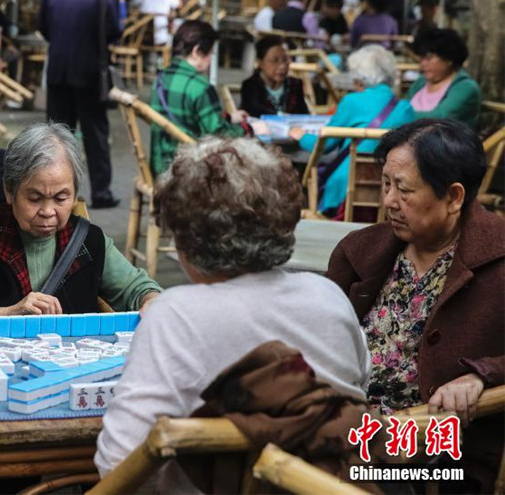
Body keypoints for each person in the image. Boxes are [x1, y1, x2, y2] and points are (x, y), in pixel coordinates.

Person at [95, 137, 372, 494]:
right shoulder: (329, 297)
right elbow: (357, 391)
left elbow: (117, 464)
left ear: (187, 242)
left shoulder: (176, 315)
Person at [327, 119, 503, 493]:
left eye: (403, 189)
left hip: (437, 455)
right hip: (348, 431)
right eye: (386, 183)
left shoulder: (499, 259)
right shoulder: (358, 252)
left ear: (454, 197)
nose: (388, 200)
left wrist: (481, 375)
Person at [0, 123, 161, 322]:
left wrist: (151, 301)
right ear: (10, 191)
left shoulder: (88, 242)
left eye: (61, 198)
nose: (48, 211)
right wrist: (7, 314)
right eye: (34, 198)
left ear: (75, 193)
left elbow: (139, 289)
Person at [38, 0, 122, 209]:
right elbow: (114, 31)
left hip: (59, 71)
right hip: (91, 74)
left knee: (56, 135)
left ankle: (55, 192)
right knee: (96, 134)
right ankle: (101, 193)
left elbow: (44, 26)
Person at [291, 45, 416, 216]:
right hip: (389, 191)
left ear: (359, 79)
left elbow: (323, 145)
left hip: (346, 188)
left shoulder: (352, 101)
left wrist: (300, 135)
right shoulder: (406, 109)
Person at [149, 20, 247, 177]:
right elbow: (219, 135)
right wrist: (247, 128)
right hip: (187, 176)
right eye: (209, 54)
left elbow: (184, 120)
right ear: (196, 51)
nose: (210, 60)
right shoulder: (201, 87)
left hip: (159, 168)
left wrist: (229, 117)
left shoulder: (160, 79)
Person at [406, 28, 480, 129]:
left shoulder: (466, 88)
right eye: (421, 58)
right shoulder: (420, 83)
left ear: (448, 58)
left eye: (429, 58)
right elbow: (404, 106)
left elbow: (440, 118)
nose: (423, 63)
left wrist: (401, 116)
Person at [237, 35, 308, 118]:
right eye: (275, 61)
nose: (282, 66)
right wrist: (280, 116)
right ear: (260, 63)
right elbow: (255, 111)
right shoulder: (250, 86)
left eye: (285, 60)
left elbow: (304, 114)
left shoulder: (295, 84)